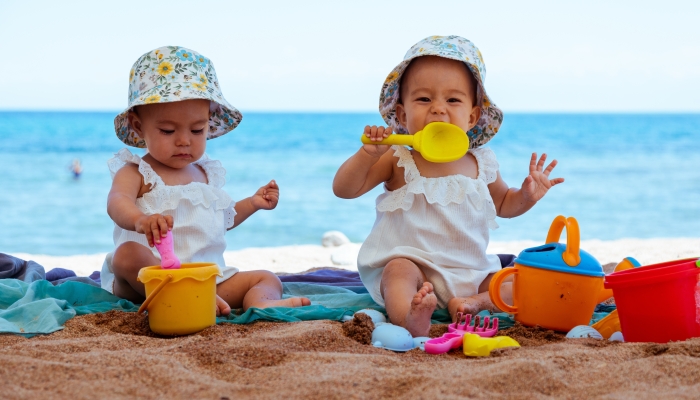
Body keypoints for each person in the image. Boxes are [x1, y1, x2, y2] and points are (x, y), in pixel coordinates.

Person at [333, 36, 564, 337]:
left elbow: (505, 204)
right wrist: (366, 156)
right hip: (416, 269)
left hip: (472, 272)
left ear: (472, 116)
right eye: (424, 99)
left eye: (452, 100)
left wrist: (527, 196)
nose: (438, 109)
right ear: (402, 114)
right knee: (396, 272)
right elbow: (344, 189)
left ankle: (471, 302)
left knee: (518, 281)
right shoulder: (398, 157)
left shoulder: (481, 162)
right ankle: (410, 317)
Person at [102, 46, 310, 315]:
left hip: (208, 281)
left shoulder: (205, 173)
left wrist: (253, 203)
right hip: (148, 280)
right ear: (138, 126)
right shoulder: (137, 172)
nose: (184, 140)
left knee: (266, 277)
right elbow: (117, 202)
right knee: (126, 255)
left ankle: (260, 301)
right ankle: (182, 297)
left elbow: (220, 220)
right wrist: (140, 220)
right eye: (167, 130)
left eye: (197, 129)